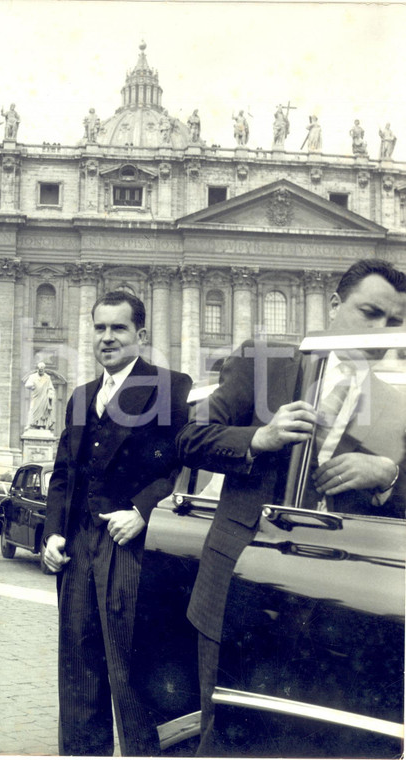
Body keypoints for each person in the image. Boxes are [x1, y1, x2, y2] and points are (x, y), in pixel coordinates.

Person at [175, 258, 406, 755]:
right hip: (241, 579)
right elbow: (186, 437)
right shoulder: (267, 362)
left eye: (395, 322)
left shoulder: (395, 402)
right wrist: (259, 437)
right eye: (370, 313)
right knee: (228, 736)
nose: (382, 331)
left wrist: (388, 476)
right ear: (335, 304)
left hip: (330, 599)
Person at [42, 290, 192, 756]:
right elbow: (64, 472)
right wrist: (52, 532)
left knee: (130, 675)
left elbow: (185, 463)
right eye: (100, 328)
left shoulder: (170, 386)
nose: (107, 338)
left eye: (118, 328)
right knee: (78, 673)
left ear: (140, 335)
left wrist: (145, 510)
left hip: (128, 550)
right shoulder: (81, 396)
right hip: (77, 551)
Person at [25, 363, 56, 430]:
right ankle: (31, 424)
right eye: (39, 369)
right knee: (32, 409)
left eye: (42, 369)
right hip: (35, 396)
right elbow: (27, 384)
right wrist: (31, 385)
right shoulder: (32, 376)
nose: (40, 370)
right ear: (37, 369)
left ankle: (41, 425)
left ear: (44, 369)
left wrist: (50, 392)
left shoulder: (47, 377)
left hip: (44, 397)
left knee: (43, 411)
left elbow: (50, 387)